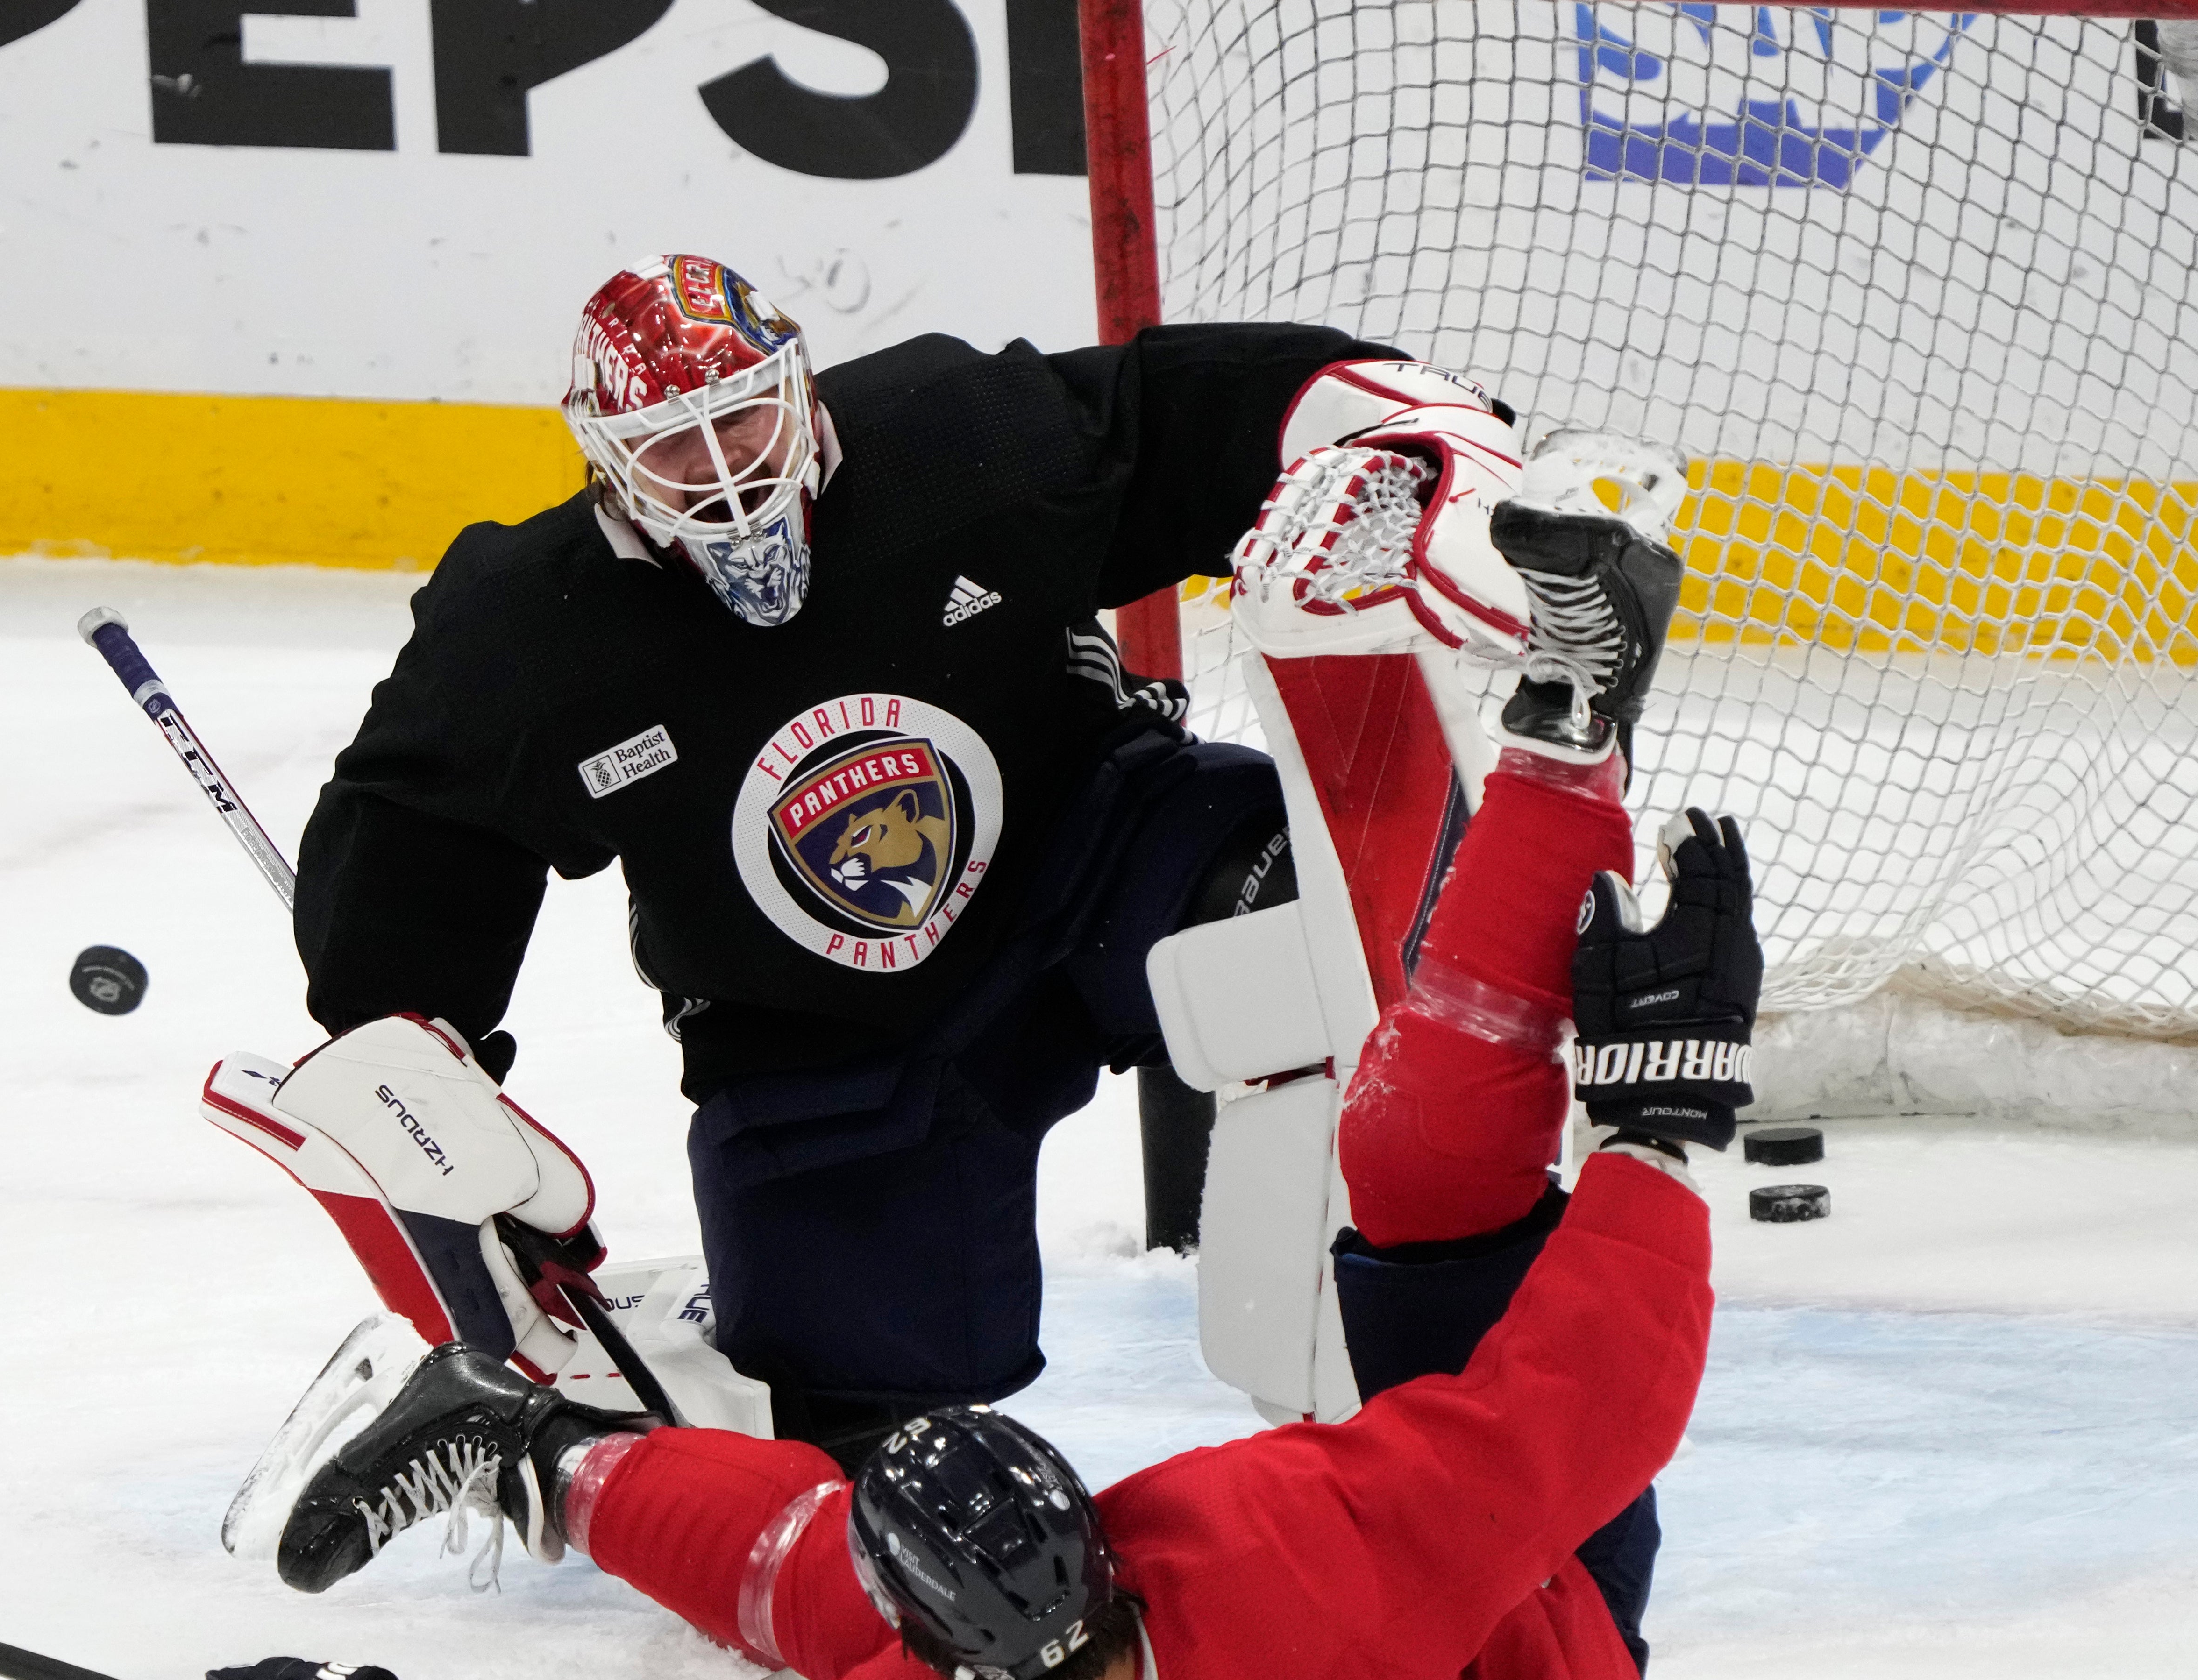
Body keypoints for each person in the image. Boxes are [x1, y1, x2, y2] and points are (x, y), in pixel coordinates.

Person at [143, 503, 1765, 1680]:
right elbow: (1590, 1405)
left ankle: (535, 1441)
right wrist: (1662, 1120)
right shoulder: (1300, 1569)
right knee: (1419, 1164)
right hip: (1529, 1663)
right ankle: (1567, 727)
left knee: (803, 1560)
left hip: (1355, 1679)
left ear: (925, 1667)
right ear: (1097, 1554)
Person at [258, 253, 1555, 1464]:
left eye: (744, 421)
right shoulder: (525, 629)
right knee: (854, 1438)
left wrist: (1387, 427)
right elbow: (420, 833)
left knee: (1306, 943)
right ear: (601, 459)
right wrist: (412, 1067)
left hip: (1094, 853)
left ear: (799, 386)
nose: (717, 472)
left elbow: (1191, 415)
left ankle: (1393, 1398)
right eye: (668, 448)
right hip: (815, 1029)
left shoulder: (955, 440)